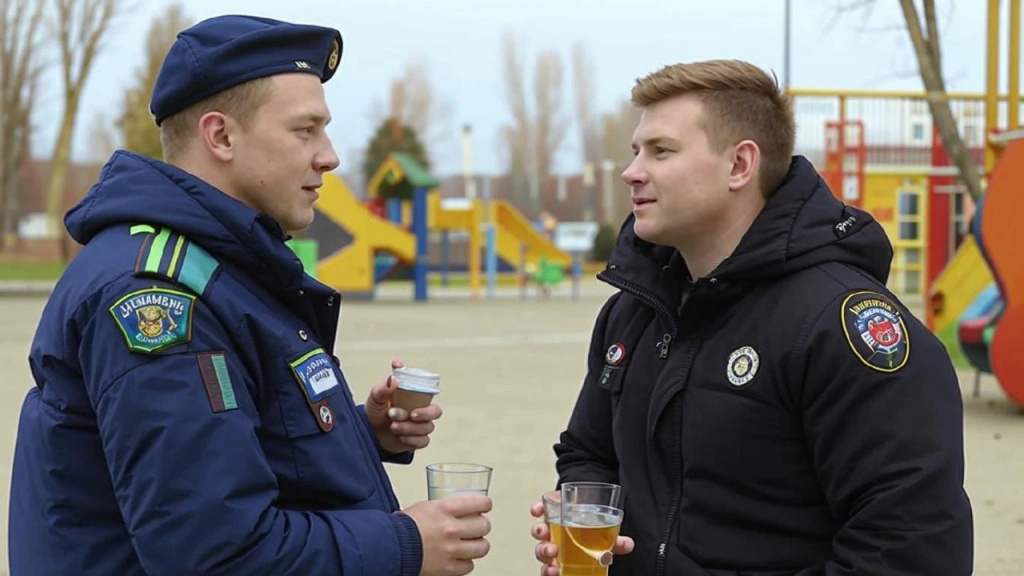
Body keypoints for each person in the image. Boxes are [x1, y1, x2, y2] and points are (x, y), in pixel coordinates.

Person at [8, 15, 491, 576]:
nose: (330, 155)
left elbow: (229, 441)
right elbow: (215, 554)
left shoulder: (220, 266)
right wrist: (405, 544)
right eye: (305, 129)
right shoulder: (158, 296)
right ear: (221, 136)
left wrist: (358, 427)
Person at [530, 59, 973, 575]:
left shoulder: (840, 325)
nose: (632, 171)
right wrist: (585, 517)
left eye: (661, 151)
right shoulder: (633, 312)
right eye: (635, 151)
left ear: (740, 165)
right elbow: (588, 450)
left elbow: (911, 550)